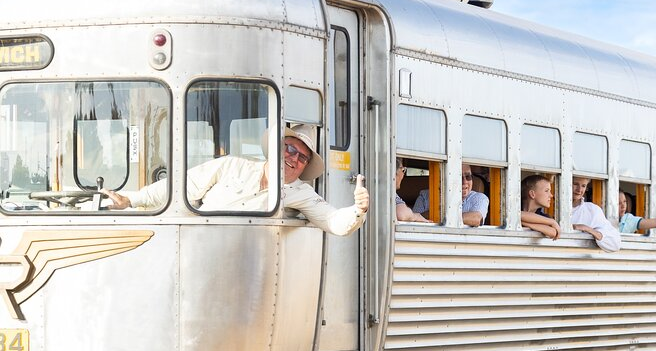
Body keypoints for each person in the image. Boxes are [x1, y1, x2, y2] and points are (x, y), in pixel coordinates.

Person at [101, 124, 370, 236]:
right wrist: (130, 200)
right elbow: (180, 187)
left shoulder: (302, 193)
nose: (293, 159)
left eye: (302, 158)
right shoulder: (232, 165)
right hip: (199, 243)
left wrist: (358, 209)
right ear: (276, 148)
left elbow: (335, 222)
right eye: (289, 149)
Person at [412, 164, 488, 226]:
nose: (464, 182)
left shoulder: (479, 198)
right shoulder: (425, 196)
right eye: (459, 177)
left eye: (468, 177)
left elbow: (476, 219)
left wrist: (441, 216)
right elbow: (414, 220)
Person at [571, 177, 621, 252]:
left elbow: (615, 244)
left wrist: (588, 229)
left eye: (583, 186)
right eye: (575, 184)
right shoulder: (552, 207)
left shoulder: (592, 210)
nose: (579, 189)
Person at [520, 174, 561, 239]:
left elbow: (553, 232)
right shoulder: (515, 207)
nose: (551, 195)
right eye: (546, 191)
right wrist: (552, 222)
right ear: (532, 194)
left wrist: (524, 223)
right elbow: (519, 215)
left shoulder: (544, 217)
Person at [395, 158, 430, 223]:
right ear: (394, 172)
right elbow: (401, 214)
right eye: (403, 170)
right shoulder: (424, 195)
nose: (403, 175)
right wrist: (416, 216)